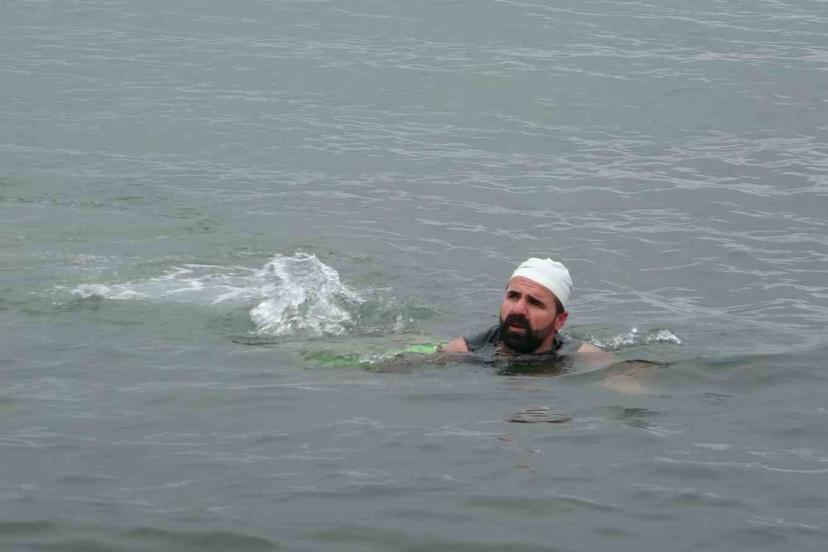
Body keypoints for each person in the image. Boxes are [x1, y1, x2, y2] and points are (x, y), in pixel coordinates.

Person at [442, 257, 611, 363]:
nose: (518, 309)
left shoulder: (584, 356)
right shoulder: (463, 351)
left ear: (559, 320)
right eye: (513, 296)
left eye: (535, 303)